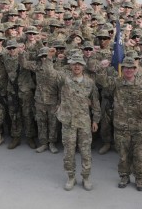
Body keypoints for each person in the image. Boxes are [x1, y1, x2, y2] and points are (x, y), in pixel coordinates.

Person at [40, 49, 100, 191]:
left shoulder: (90, 83)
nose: (77, 66)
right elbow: (50, 73)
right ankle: (71, 177)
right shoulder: (64, 79)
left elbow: (95, 103)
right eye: (74, 64)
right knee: (69, 151)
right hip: (68, 122)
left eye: (79, 64)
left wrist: (96, 120)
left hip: (84, 122)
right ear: (70, 65)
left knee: (85, 151)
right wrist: (49, 57)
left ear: (83, 66)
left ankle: (86, 177)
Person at [96, 56, 142, 191]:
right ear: (122, 69)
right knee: (123, 155)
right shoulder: (116, 82)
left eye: (132, 68)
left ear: (136, 69)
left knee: (140, 155)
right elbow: (102, 82)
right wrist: (102, 68)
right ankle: (124, 176)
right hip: (121, 126)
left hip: (139, 126)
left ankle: (139, 178)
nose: (129, 70)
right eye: (126, 68)